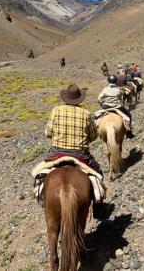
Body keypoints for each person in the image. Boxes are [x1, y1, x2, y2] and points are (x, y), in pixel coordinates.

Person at [45, 83, 105, 218]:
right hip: (80, 155)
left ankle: (42, 198)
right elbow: (93, 136)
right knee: (98, 174)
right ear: (79, 99)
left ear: (66, 97)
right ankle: (98, 206)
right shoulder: (86, 113)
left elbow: (48, 133)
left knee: (40, 175)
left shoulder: (56, 110)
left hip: (57, 153)